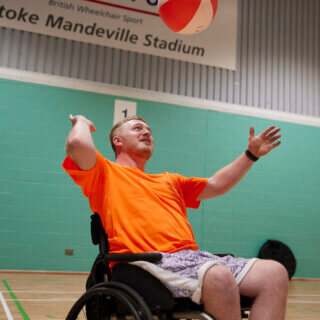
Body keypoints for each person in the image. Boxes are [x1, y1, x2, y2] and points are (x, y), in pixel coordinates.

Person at [63, 114, 288, 320]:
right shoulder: (104, 174)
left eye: (149, 130)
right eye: (137, 128)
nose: (147, 132)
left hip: (192, 258)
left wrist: (250, 155)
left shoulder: (169, 181)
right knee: (218, 277)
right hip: (147, 262)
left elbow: (217, 185)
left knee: (274, 274)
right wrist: (81, 121)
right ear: (117, 141)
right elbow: (77, 144)